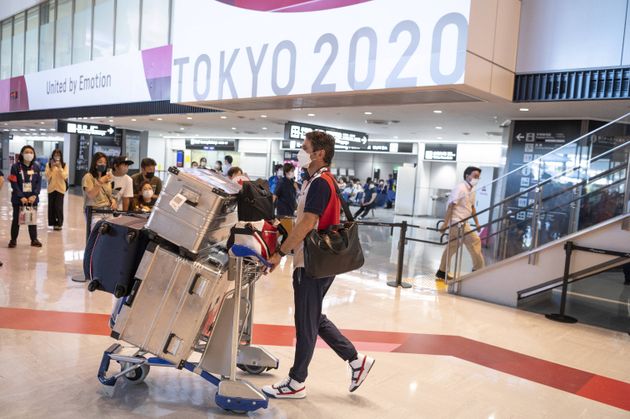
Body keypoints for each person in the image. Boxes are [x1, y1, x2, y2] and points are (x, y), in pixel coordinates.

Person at [263, 131, 374, 400]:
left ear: (319, 153)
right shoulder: (316, 180)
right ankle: (356, 360)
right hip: (317, 261)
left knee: (306, 320)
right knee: (312, 316)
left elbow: (306, 223)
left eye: (305, 147)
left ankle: (296, 382)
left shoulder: (321, 183)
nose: (300, 152)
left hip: (312, 262)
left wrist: (280, 251)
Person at [436, 166, 485, 280]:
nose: (477, 179)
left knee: (452, 246)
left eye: (478, 177)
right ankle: (478, 269)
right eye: (475, 176)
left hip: (464, 222)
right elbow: (451, 206)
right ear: (467, 176)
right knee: (475, 241)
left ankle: (442, 271)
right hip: (457, 222)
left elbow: (472, 207)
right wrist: (445, 224)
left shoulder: (472, 190)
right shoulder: (460, 188)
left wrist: (477, 223)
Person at [8, 145, 43, 248]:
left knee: (32, 219)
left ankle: (34, 240)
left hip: (32, 199)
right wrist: (20, 196)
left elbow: (38, 183)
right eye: (26, 152)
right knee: (16, 220)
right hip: (19, 199)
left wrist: (35, 195)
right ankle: (13, 240)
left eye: (31, 152)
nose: (29, 154)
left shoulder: (36, 167)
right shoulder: (15, 167)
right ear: (22, 154)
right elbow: (13, 183)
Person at [82, 152, 116, 233]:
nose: (103, 164)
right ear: (95, 164)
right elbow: (91, 195)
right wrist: (100, 182)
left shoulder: (107, 178)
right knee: (97, 235)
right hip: (95, 212)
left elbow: (109, 194)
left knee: (112, 235)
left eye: (105, 162)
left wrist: (113, 200)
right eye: (100, 162)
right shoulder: (88, 177)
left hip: (108, 211)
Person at [44, 149, 69, 230]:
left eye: (58, 155)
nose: (57, 156)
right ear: (52, 156)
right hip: (51, 188)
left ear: (61, 156)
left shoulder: (64, 165)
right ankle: (53, 223)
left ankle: (59, 223)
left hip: (60, 189)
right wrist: (51, 168)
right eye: (55, 155)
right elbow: (47, 177)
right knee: (51, 207)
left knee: (58, 206)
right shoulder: (49, 164)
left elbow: (65, 176)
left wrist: (60, 168)